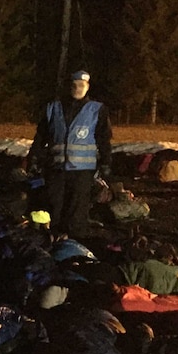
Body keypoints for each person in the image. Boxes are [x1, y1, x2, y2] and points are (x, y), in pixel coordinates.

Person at [27, 70, 112, 239]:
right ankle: (51, 241)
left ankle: (75, 244)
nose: (77, 88)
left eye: (81, 85)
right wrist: (33, 157)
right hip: (56, 169)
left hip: (82, 172)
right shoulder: (53, 108)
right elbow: (41, 136)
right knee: (54, 207)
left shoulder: (97, 110)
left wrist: (106, 162)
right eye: (74, 85)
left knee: (77, 211)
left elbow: (104, 139)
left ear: (87, 87)